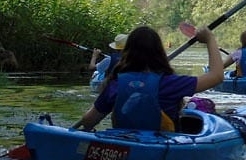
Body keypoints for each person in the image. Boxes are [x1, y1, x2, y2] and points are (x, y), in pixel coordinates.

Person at [71, 25, 223, 132]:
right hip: (163, 147)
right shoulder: (170, 83)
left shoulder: (115, 84)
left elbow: (88, 121)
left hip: (124, 144)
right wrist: (210, 39)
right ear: (159, 53)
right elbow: (216, 76)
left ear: (127, 53)